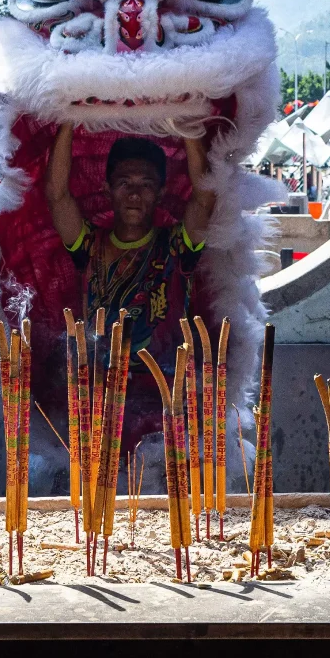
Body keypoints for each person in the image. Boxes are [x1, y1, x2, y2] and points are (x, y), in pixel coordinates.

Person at [45, 126, 215, 445]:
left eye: (146, 185)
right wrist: (68, 119)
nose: (134, 195)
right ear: (108, 189)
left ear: (161, 192)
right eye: (124, 183)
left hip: (167, 410)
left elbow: (205, 199)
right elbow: (56, 194)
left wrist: (189, 128)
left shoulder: (178, 246)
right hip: (99, 406)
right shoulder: (88, 246)